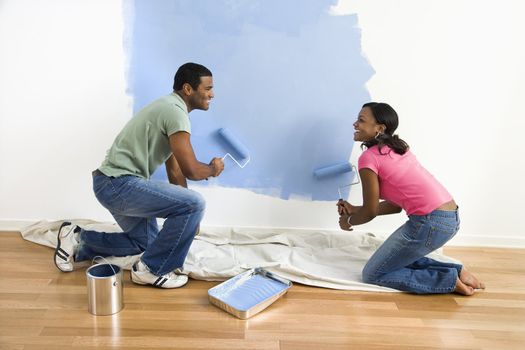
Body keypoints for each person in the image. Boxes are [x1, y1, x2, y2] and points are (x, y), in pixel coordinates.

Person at [54, 62, 224, 288]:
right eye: (208, 88)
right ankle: (151, 270)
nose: (212, 94)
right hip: (119, 185)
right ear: (188, 89)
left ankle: (77, 239)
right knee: (196, 203)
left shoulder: (168, 107)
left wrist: (189, 219)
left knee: (147, 242)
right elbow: (192, 170)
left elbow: (174, 168)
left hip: (111, 184)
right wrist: (212, 169)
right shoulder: (176, 112)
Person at [337, 102, 484, 295]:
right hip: (448, 218)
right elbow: (395, 206)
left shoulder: (368, 158)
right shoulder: (398, 149)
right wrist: (356, 209)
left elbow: (371, 211)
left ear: (379, 128)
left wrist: (348, 221)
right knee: (393, 258)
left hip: (430, 223)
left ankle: (447, 280)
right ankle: (458, 271)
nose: (355, 124)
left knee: (373, 274)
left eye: (361, 120)